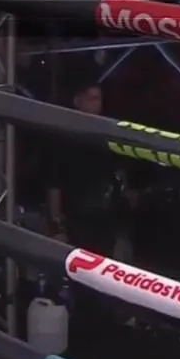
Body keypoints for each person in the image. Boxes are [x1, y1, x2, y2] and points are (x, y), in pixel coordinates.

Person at [45, 81, 134, 258]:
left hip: (105, 218)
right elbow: (54, 184)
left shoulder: (107, 137)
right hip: (77, 219)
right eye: (92, 99)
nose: (97, 104)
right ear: (78, 102)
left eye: (99, 99)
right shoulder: (64, 139)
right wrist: (57, 226)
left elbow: (119, 175)